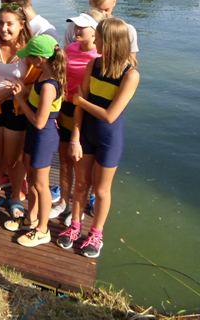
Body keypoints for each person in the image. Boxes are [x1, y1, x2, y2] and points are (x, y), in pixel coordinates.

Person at [57, 18, 140, 258]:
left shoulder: (130, 75)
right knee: (81, 184)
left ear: (111, 41)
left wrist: (81, 101)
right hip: (87, 135)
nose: (95, 41)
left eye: (99, 37)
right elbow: (79, 108)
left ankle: (96, 234)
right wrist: (75, 137)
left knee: (102, 191)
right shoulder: (93, 64)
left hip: (109, 139)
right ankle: (75, 226)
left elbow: (110, 115)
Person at [0, 3, 38, 219]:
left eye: (9, 24)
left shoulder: (30, 50)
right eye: (1, 23)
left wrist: (11, 92)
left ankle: (15, 197)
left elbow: (38, 84)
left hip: (17, 109)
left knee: (13, 159)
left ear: (22, 24)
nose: (3, 28)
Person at [6, 35, 66, 247]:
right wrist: (24, 92)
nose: (27, 60)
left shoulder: (49, 85)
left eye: (29, 57)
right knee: (31, 179)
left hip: (43, 136)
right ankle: (30, 219)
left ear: (40, 59)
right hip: (33, 134)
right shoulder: (42, 76)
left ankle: (43, 229)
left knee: (41, 185)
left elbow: (40, 122)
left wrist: (20, 99)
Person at [50, 11, 103, 222]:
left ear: (94, 32)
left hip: (86, 112)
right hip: (66, 108)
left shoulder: (98, 57)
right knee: (64, 161)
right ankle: (63, 202)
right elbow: (60, 76)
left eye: (82, 27)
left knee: (81, 165)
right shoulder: (70, 48)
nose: (77, 30)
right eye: (75, 26)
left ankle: (77, 209)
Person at [63, 0, 139, 62]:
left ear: (114, 2)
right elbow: (65, 57)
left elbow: (132, 62)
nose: (102, 14)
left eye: (106, 10)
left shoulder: (126, 30)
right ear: (90, 1)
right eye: (97, 9)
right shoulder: (75, 26)